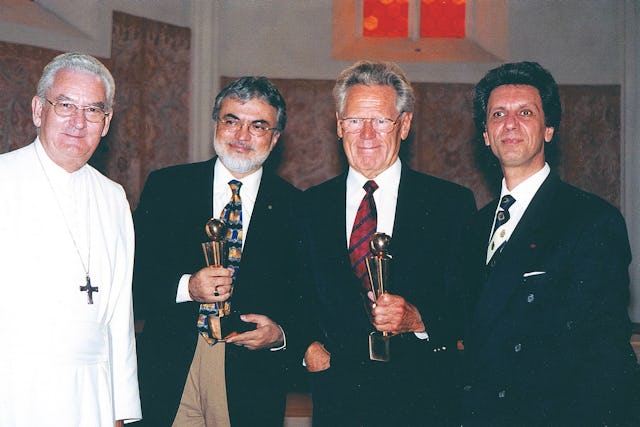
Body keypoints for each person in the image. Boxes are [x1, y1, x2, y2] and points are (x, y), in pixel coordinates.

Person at [459, 61, 640, 426]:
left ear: (548, 129)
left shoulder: (591, 219)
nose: (510, 124)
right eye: (498, 114)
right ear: (485, 135)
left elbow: (604, 355)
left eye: (525, 112)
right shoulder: (474, 228)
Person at [300, 60, 476, 426]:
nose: (366, 134)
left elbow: (469, 303)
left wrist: (419, 318)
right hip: (337, 402)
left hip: (425, 402)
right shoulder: (307, 206)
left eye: (380, 121)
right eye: (354, 121)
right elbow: (291, 293)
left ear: (405, 125)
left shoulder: (449, 204)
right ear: (338, 124)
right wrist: (309, 351)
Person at [133, 76, 301, 426]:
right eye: (231, 120)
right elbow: (133, 279)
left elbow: (308, 300)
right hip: (171, 367)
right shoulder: (167, 187)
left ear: (276, 137)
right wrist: (187, 287)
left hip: (250, 375)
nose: (242, 136)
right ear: (216, 124)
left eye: (258, 125)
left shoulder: (297, 207)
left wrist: (281, 335)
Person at [0, 52, 141, 426]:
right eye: (65, 105)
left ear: (106, 122)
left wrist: (120, 410)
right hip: (15, 390)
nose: (79, 122)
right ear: (37, 110)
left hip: (93, 396)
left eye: (93, 110)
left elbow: (119, 314)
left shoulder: (113, 197)